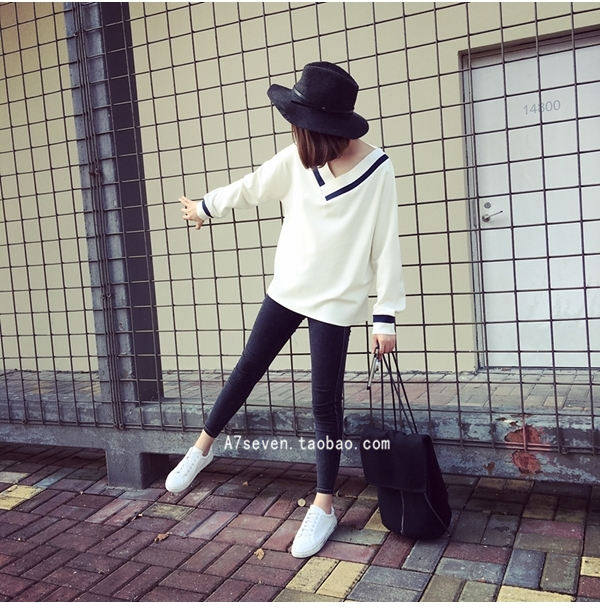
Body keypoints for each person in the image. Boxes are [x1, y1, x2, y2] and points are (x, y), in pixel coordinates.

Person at [166, 61, 405, 558]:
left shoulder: (378, 170)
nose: (294, 131)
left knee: (325, 403)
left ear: (322, 125)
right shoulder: (297, 158)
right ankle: (201, 448)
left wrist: (385, 316)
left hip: (337, 301)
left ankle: (323, 506)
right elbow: (251, 187)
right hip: (288, 288)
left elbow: (386, 245)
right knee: (248, 367)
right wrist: (204, 208)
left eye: (299, 122)